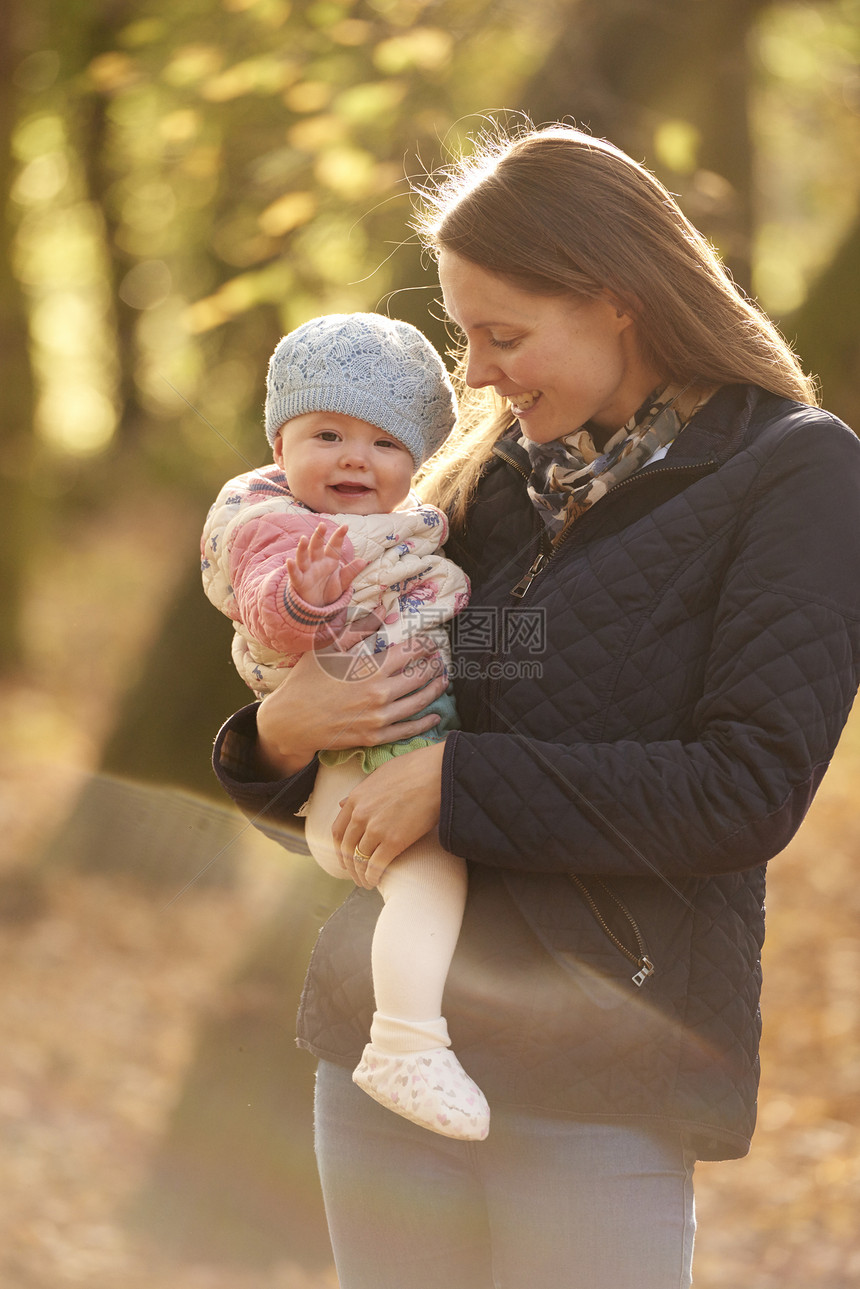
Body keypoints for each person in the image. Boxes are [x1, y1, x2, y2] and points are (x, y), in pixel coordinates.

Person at [210, 123, 860, 1289]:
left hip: (603, 1072)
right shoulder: (480, 479)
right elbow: (412, 714)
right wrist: (276, 735)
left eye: (501, 335)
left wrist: (453, 785)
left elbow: (745, 784)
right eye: (466, 335)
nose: (475, 373)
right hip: (384, 1050)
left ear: (615, 301)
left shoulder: (794, 473)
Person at [201, 313, 488, 1140]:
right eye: (329, 432)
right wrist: (307, 596)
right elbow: (265, 607)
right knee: (433, 878)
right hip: (365, 768)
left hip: (372, 755)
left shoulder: (398, 524)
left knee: (431, 883)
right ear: (280, 442)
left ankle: (412, 1033)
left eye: (385, 443)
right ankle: (405, 1040)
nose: (356, 457)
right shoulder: (279, 525)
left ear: (419, 460)